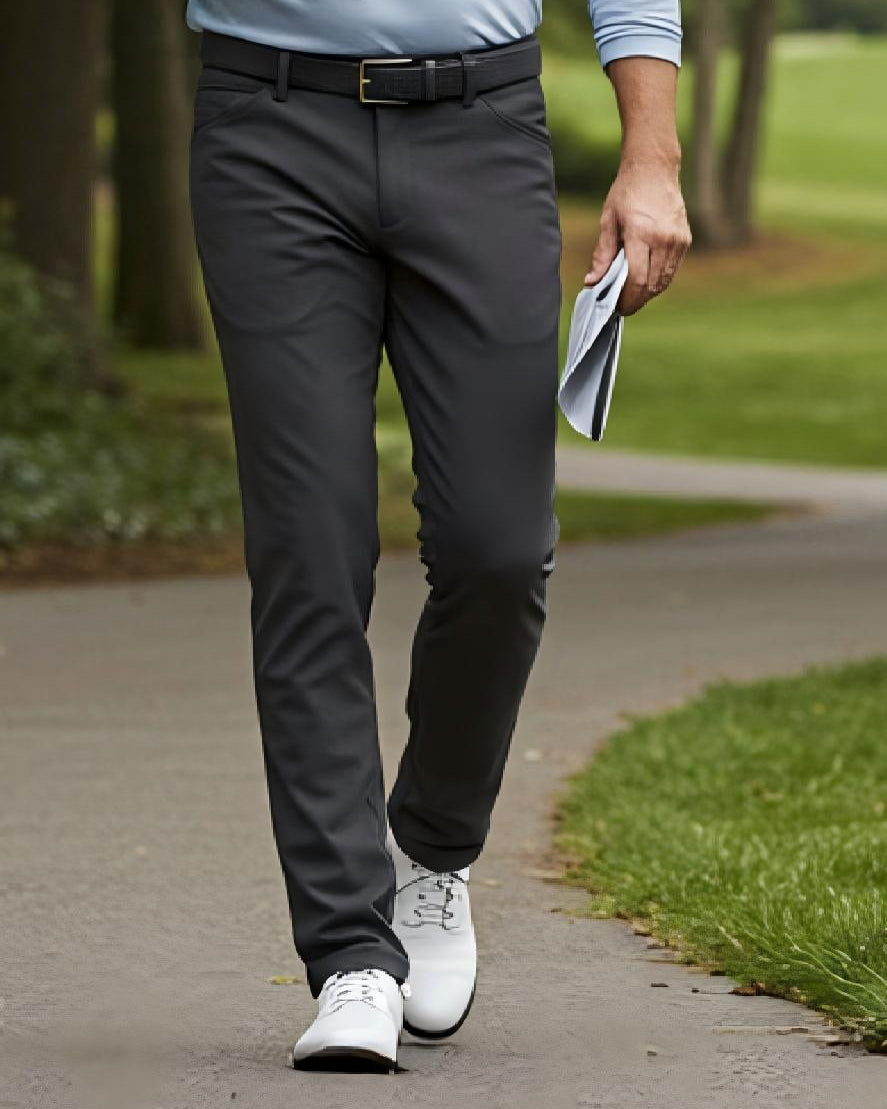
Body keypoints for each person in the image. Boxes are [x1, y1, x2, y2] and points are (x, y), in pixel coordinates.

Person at [185, 0, 691, 1072]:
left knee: (497, 548)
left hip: (481, 126)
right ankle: (349, 956)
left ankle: (435, 845)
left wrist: (650, 155)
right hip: (267, 130)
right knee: (309, 553)